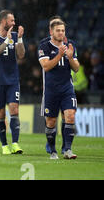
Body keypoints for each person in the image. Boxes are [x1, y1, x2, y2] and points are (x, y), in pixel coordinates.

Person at [0, 10, 25, 155]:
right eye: (11, 21)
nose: (14, 23)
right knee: (0, 113)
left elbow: (21, 55)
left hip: (13, 79)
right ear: (3, 21)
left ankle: (15, 143)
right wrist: (7, 41)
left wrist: (19, 39)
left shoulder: (14, 36)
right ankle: (4, 145)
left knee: (14, 109)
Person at [38, 19, 80, 160]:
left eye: (63, 30)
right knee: (51, 122)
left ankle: (67, 149)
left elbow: (76, 68)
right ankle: (53, 150)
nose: (61, 33)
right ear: (51, 32)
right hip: (51, 90)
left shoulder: (70, 45)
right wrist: (60, 55)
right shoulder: (44, 46)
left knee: (70, 116)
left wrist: (70, 57)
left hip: (67, 89)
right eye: (58, 30)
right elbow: (46, 66)